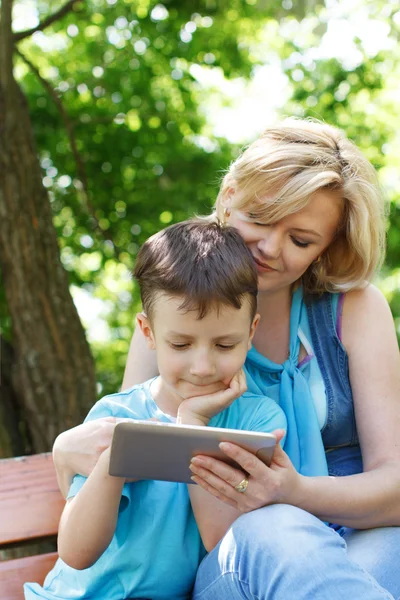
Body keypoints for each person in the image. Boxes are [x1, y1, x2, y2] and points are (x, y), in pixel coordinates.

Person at [52, 118, 400, 599]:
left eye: (301, 240)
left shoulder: (353, 311)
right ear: (229, 195)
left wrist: (292, 492)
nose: (270, 248)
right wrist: (65, 449)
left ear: (328, 246)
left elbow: (395, 484)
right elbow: (135, 437)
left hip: (347, 526)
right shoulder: (174, 320)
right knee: (276, 533)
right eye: (258, 218)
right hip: (238, 555)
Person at [24, 220, 287, 600]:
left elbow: (224, 545)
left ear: (251, 332)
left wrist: (192, 425)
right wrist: (115, 461)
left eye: (225, 345)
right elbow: (77, 554)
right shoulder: (116, 415)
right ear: (148, 333)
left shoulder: (258, 422)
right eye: (180, 345)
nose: (202, 367)